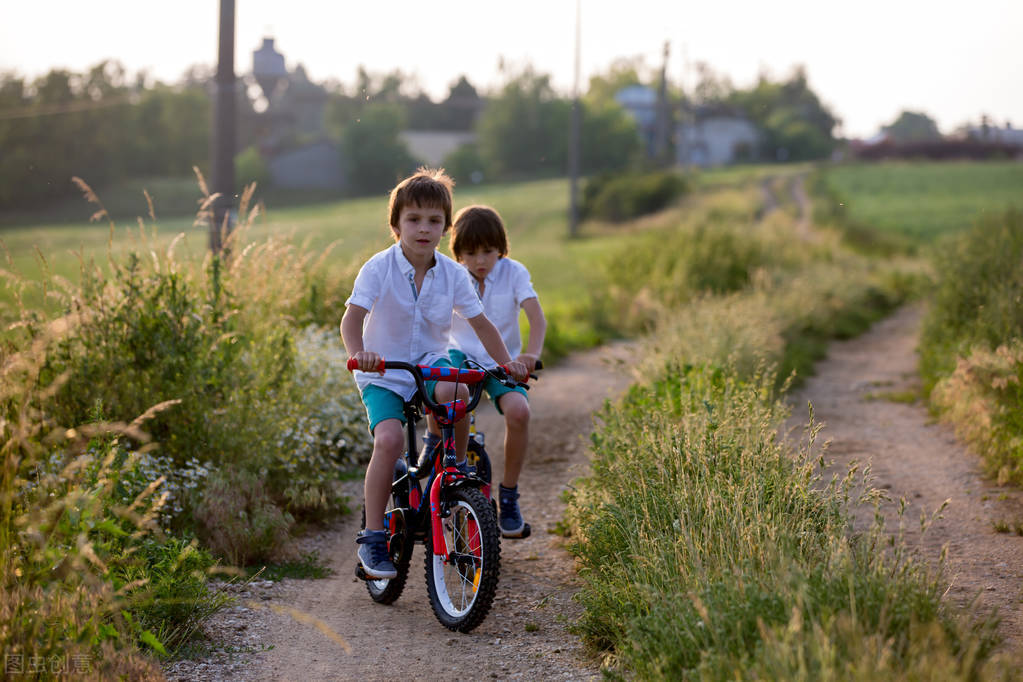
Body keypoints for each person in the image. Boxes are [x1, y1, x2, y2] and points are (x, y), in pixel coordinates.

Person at [340, 169, 527, 580]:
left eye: (434, 221)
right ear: (395, 226)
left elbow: (482, 326)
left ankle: (455, 465)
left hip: (427, 361)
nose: (424, 229)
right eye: (413, 219)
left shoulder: (453, 273)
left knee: (458, 388)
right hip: (385, 371)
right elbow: (351, 321)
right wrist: (360, 355)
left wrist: (504, 365)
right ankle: (373, 539)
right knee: (388, 440)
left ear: (445, 227)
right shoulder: (378, 268)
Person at [443, 204, 546, 538]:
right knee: (451, 400)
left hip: (503, 360)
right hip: (460, 354)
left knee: (519, 413)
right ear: (458, 253)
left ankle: (509, 495)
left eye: (488, 252)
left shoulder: (514, 273)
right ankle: (452, 471)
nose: (481, 261)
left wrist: (531, 354)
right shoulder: (451, 274)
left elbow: (536, 317)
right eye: (471, 253)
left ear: (501, 249)